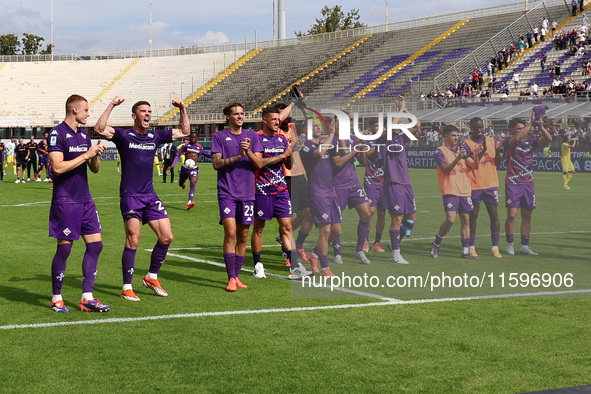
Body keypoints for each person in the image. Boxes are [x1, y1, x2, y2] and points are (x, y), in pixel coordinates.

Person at [94, 95, 190, 301]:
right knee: (133, 240)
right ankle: (127, 287)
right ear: (134, 116)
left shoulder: (155, 137)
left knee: (167, 237)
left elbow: (184, 131)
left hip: (150, 196)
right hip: (130, 196)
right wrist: (111, 105)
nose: (148, 114)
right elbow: (99, 129)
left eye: (149, 111)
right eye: (143, 111)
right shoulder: (123, 135)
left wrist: (182, 108)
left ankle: (151, 276)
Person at [48, 94, 110, 313]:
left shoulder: (84, 135)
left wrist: (94, 155)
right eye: (86, 110)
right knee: (65, 250)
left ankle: (87, 297)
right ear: (74, 110)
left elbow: (95, 169)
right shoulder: (57, 133)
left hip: (86, 201)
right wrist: (86, 155)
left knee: (96, 246)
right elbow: (57, 167)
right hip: (66, 201)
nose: (88, 113)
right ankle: (57, 298)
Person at [250, 106, 312, 280]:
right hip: (262, 189)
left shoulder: (282, 139)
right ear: (265, 120)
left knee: (286, 227)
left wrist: (292, 153)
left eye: (279, 119)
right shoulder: (257, 138)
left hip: (281, 189)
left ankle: (294, 267)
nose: (277, 122)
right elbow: (259, 163)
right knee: (259, 228)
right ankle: (257, 264)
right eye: (274, 119)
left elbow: (289, 165)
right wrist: (283, 155)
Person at [211, 102, 263, 291]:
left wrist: (247, 151)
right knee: (231, 233)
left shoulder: (252, 136)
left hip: (248, 194)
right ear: (228, 117)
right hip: (227, 192)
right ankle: (231, 277)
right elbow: (216, 164)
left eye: (242, 114)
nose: (240, 117)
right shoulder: (219, 136)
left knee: (243, 236)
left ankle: (237, 276)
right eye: (236, 114)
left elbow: (259, 164)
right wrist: (238, 155)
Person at [504, 111, 552, 256]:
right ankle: (509, 244)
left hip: (528, 183)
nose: (521, 131)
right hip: (513, 181)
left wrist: (541, 127)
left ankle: (525, 246)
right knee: (512, 215)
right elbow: (518, 137)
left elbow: (548, 138)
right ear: (512, 130)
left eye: (522, 128)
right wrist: (530, 124)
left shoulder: (530, 143)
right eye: (518, 128)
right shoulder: (509, 141)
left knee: (527, 216)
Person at [430, 125, 481, 259]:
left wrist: (477, 154)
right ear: (445, 137)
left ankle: (465, 251)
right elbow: (446, 169)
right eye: (453, 135)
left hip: (464, 190)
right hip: (450, 189)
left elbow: (474, 166)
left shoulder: (462, 150)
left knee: (466, 220)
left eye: (458, 135)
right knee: (451, 220)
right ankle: (436, 243)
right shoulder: (440, 151)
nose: (456, 138)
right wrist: (458, 158)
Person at [299, 120, 342, 276]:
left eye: (318, 126)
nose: (317, 128)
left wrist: (338, 133)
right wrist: (331, 134)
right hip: (318, 192)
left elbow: (339, 153)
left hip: (331, 191)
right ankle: (325, 267)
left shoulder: (325, 144)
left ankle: (315, 254)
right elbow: (319, 153)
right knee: (326, 230)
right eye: (313, 126)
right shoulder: (306, 147)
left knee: (336, 230)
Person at [464, 118, 503, 258]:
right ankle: (471, 247)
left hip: (491, 183)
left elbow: (497, 162)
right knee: (473, 216)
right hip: (474, 184)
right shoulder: (467, 144)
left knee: (494, 215)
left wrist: (497, 150)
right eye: (476, 127)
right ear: (471, 128)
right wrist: (480, 152)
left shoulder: (491, 141)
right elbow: (471, 164)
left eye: (481, 127)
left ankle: (495, 247)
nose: (479, 130)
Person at [171, 131, 211, 210]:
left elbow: (208, 154)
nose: (193, 139)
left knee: (193, 183)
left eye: (194, 137)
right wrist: (173, 165)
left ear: (197, 138)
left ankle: (189, 202)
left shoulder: (199, 147)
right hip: (185, 168)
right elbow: (178, 155)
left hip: (194, 168)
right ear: (189, 138)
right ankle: (182, 181)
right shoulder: (185, 145)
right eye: (191, 137)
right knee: (180, 184)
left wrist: (217, 156)